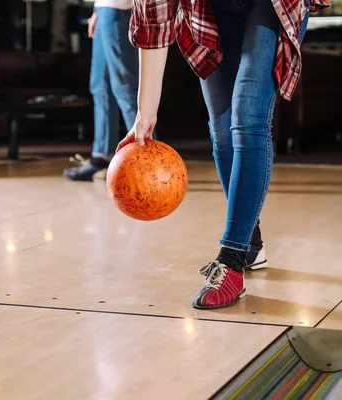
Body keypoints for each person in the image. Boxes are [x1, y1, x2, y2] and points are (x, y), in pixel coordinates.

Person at [117, 0, 329, 309]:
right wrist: (145, 113)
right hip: (211, 8)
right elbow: (154, 18)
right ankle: (250, 241)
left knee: (248, 119)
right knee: (221, 128)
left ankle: (232, 259)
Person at [63, 0, 140, 181]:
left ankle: (148, 159)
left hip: (119, 9)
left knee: (125, 88)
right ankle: (101, 157)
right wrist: (98, 10)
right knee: (100, 86)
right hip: (105, 8)